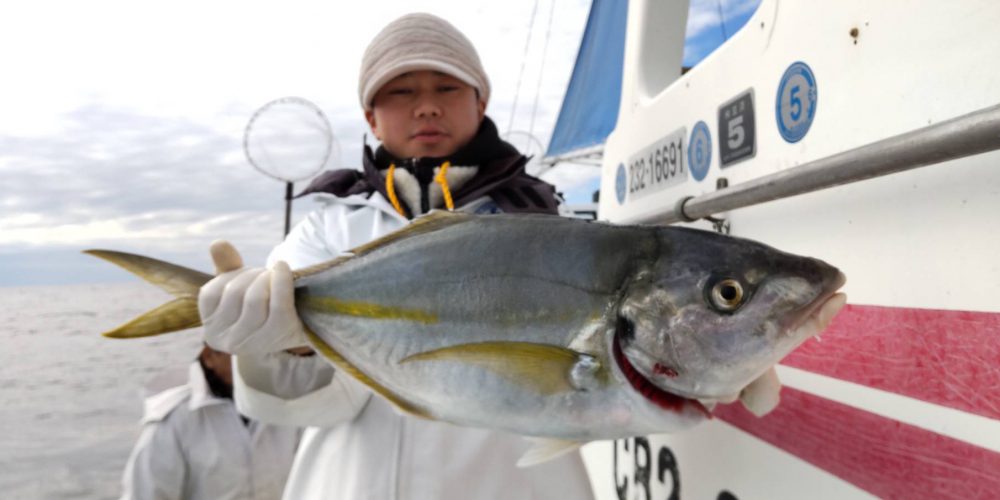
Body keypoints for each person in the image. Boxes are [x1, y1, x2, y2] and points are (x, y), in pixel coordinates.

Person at [197, 12, 596, 500]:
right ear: (371, 117)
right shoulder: (328, 225)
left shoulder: (543, 225)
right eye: (402, 92)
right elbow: (313, 403)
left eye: (447, 87)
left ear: (481, 102)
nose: (427, 107)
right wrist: (283, 342)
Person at [119, 345, 300, 500]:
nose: (259, 358)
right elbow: (145, 494)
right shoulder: (175, 420)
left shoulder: (291, 408)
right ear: (210, 356)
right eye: (244, 349)